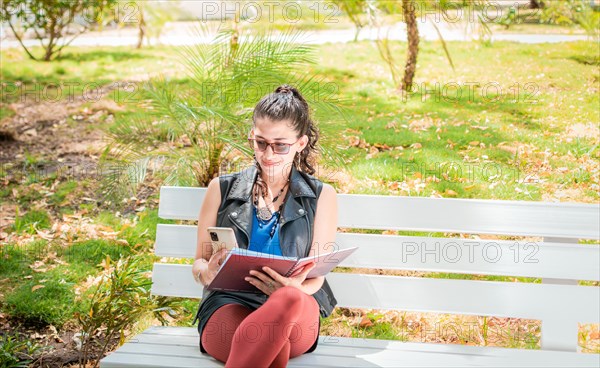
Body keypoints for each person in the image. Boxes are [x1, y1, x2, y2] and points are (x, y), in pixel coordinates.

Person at [191, 85, 339, 367]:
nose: (268, 154)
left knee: (286, 301)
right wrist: (207, 273)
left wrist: (294, 286)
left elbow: (317, 276)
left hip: (298, 307)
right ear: (251, 137)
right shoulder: (220, 189)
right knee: (267, 345)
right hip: (229, 304)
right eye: (261, 143)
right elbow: (199, 263)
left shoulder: (322, 196)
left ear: (300, 143)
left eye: (280, 145)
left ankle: (285, 300)